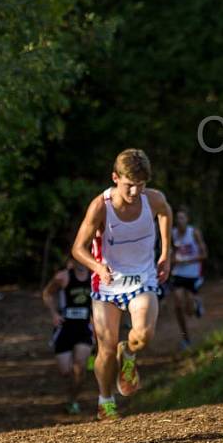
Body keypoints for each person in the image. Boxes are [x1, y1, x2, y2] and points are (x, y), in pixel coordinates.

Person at [71, 148, 172, 422]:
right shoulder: (101, 206)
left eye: (141, 185)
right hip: (107, 283)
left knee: (144, 334)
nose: (135, 191)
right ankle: (105, 400)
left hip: (143, 277)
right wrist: (97, 266)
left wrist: (165, 252)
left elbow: (165, 213)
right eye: (130, 185)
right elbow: (78, 248)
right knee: (105, 347)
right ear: (115, 177)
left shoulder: (154, 199)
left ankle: (128, 353)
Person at [42, 258, 93, 415]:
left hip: (84, 327)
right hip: (65, 327)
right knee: (66, 371)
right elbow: (47, 294)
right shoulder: (63, 277)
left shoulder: (95, 277)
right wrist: (54, 314)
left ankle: (73, 400)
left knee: (80, 366)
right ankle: (72, 392)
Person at [171, 207, 208, 350]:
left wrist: (188, 259)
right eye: (177, 218)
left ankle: (196, 304)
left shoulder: (194, 233)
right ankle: (186, 338)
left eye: (182, 218)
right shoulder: (173, 233)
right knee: (178, 305)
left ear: (187, 220)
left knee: (189, 310)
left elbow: (204, 255)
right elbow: (172, 253)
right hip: (178, 274)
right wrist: (172, 260)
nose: (179, 221)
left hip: (193, 274)